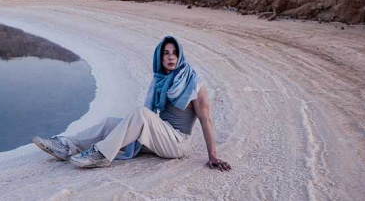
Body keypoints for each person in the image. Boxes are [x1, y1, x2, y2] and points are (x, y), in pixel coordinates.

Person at [33, 35, 231, 171]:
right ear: (159, 57)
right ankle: (67, 146)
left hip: (177, 143)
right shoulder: (160, 79)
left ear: (180, 55)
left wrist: (212, 155)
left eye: (174, 52)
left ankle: (101, 154)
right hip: (159, 136)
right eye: (165, 53)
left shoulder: (193, 81)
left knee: (141, 114)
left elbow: (206, 120)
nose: (171, 57)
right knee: (111, 123)